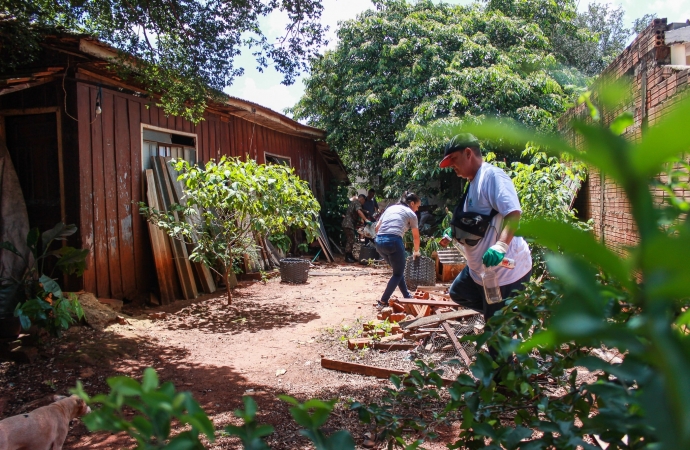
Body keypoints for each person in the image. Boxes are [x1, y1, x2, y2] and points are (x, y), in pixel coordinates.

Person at [439, 133, 532, 324]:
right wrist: (454, 233)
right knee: (459, 293)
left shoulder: (491, 176)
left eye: (454, 159)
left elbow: (513, 213)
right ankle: (507, 318)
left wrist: (501, 246)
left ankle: (503, 320)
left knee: (496, 341)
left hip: (503, 274)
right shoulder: (472, 182)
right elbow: (474, 222)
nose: (452, 166)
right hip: (478, 272)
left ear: (468, 153)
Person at [374, 192, 421, 309]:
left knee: (397, 272)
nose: (417, 209)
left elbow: (376, 228)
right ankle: (383, 302)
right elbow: (416, 237)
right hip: (394, 241)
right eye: (417, 206)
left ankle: (406, 295)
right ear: (412, 203)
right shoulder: (411, 214)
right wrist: (416, 252)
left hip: (379, 241)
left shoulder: (390, 208)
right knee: (398, 273)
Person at [342, 194, 369, 263]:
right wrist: (366, 220)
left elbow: (359, 212)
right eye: (364, 201)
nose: (364, 203)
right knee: (351, 239)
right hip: (348, 223)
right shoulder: (357, 203)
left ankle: (350, 255)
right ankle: (347, 256)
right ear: (361, 199)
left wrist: (365, 212)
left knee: (351, 239)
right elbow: (359, 212)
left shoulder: (353, 203)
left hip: (348, 223)